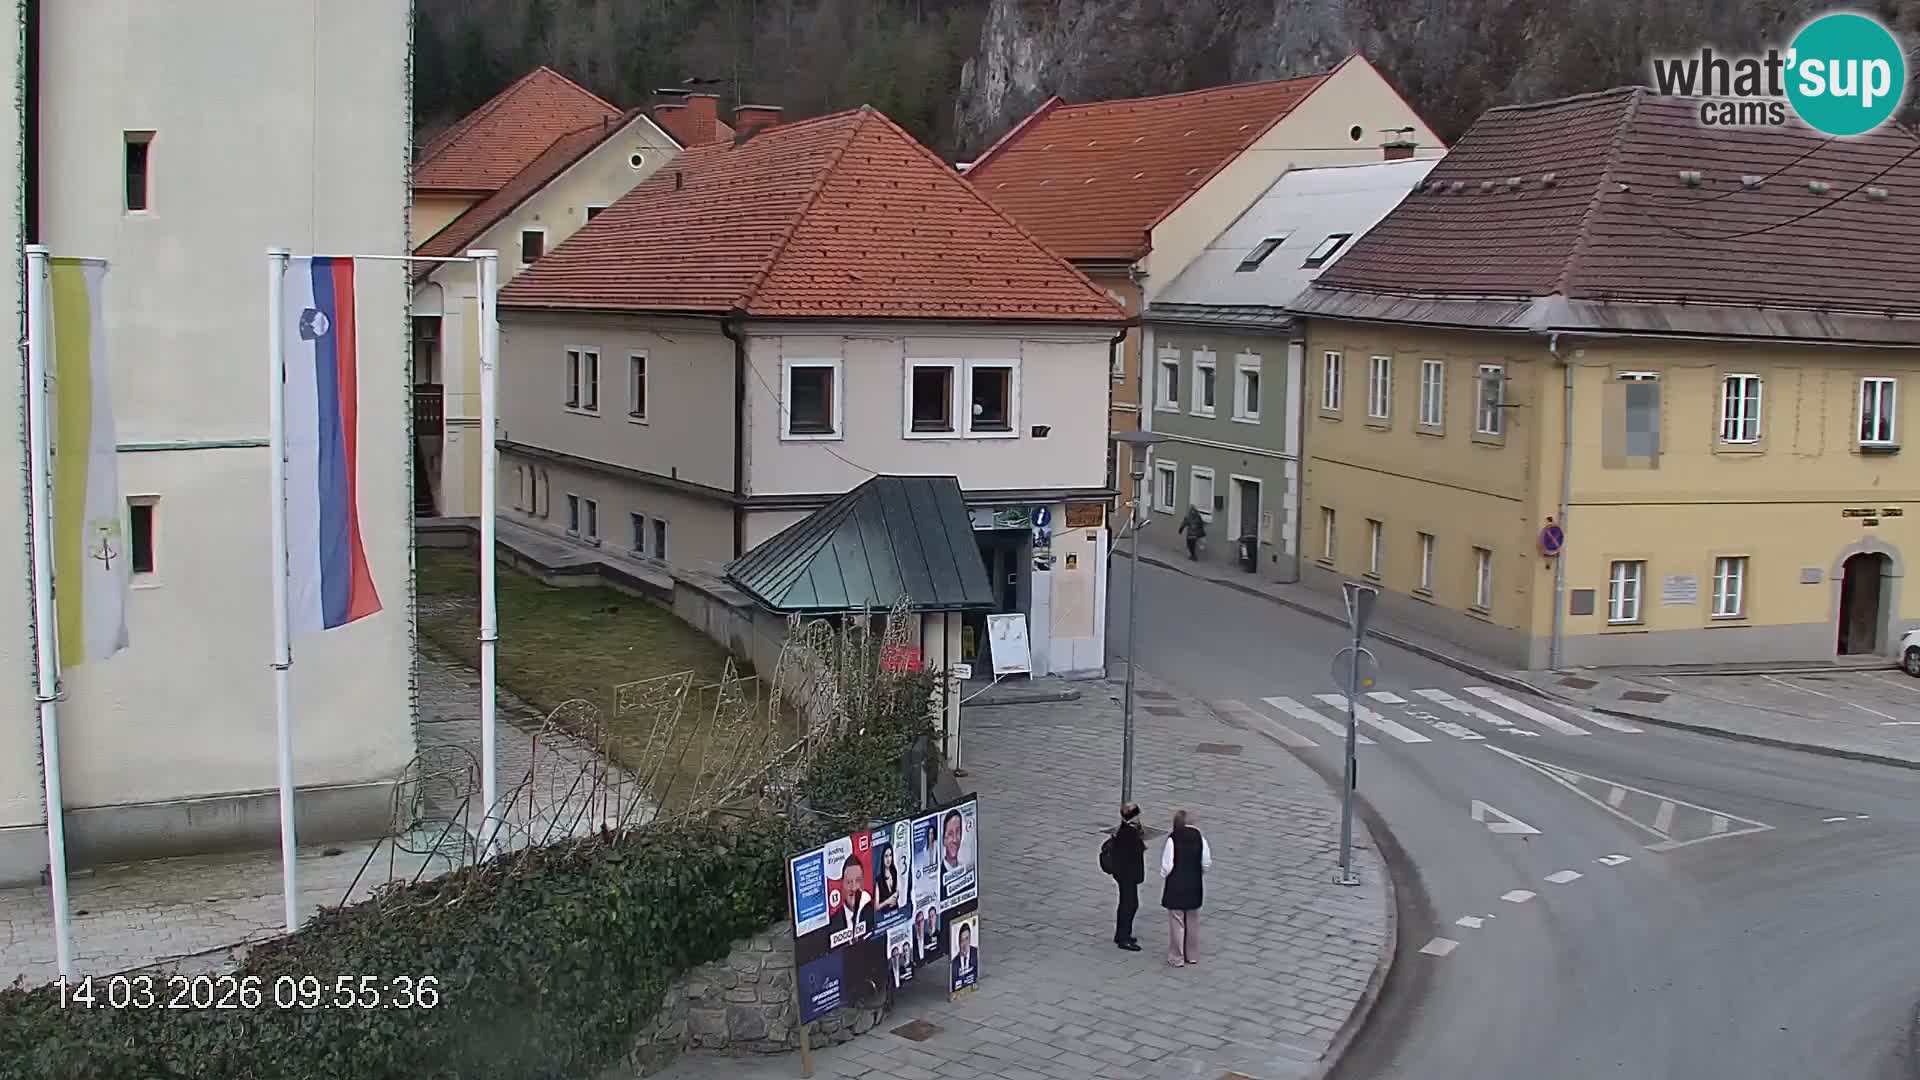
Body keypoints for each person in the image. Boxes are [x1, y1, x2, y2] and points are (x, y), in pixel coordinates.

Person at [1159, 809, 1212, 968]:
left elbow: (1167, 865)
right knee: (1192, 920)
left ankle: (1177, 956)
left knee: (1177, 921)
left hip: (1176, 885)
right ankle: (1192, 955)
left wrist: (1164, 875)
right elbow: (1206, 862)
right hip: (1194, 884)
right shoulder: (1200, 838)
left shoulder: (1172, 839)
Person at [1110, 803, 1147, 952]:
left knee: (1126, 902)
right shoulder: (1129, 833)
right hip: (1127, 874)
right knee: (1130, 904)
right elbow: (1137, 849)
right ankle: (1124, 938)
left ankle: (1121, 934)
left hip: (1123, 873)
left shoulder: (1124, 829)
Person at [830, 857, 875, 940]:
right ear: (842, 884)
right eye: (849, 882)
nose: (854, 888)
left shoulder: (874, 914)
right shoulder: (832, 924)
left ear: (863, 882)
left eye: (858, 881)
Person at [950, 922, 978, 987]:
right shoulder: (954, 964)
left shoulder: (976, 954)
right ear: (959, 943)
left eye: (966, 939)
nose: (964, 944)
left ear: (970, 939)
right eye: (962, 940)